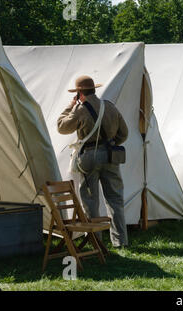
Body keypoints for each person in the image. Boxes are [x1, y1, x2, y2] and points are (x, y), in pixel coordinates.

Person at [57, 75, 129, 248]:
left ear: (80, 93)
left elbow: (61, 126)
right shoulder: (110, 106)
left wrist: (71, 106)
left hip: (89, 157)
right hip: (110, 156)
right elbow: (124, 133)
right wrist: (109, 145)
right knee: (115, 199)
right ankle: (121, 242)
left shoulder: (80, 109)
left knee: (90, 201)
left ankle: (96, 241)